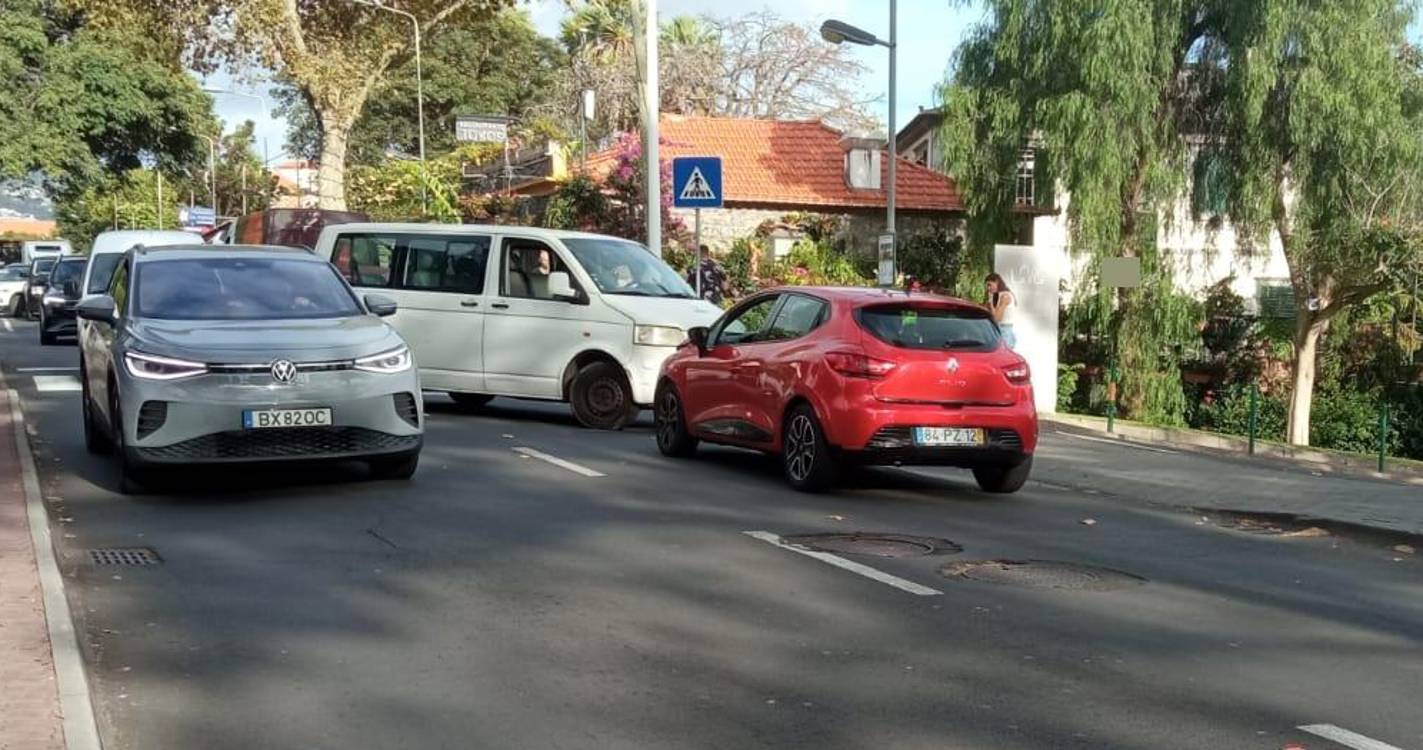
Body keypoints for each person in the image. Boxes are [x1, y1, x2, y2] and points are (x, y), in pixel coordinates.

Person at [985, 272, 1018, 349]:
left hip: (1005, 332)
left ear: (996, 282)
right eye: (987, 286)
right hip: (999, 331)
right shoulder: (997, 296)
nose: (988, 288)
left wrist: (991, 304)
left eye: (990, 285)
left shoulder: (1005, 296)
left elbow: (997, 318)